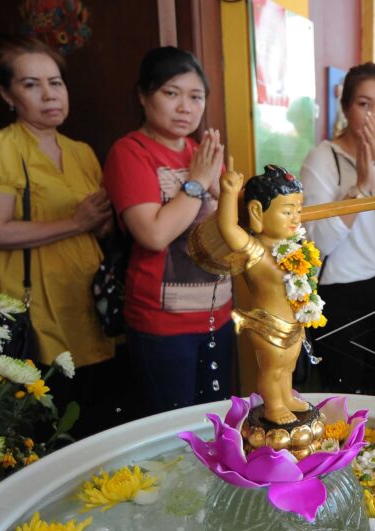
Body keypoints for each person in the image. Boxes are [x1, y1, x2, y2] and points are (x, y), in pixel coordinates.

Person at [0, 36, 115, 436]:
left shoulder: (81, 151)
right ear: (6, 93)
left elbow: (99, 222)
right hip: (30, 307)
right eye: (31, 84)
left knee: (91, 418)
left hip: (83, 301)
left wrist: (103, 222)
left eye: (56, 82)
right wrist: (77, 222)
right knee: (44, 424)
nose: (49, 95)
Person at [103, 46, 233, 417]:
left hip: (218, 314)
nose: (185, 107)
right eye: (171, 93)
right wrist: (197, 182)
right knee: (173, 432)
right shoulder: (131, 152)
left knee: (217, 424)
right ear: (144, 96)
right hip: (163, 324)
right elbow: (154, 234)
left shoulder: (201, 151)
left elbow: (230, 226)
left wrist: (216, 186)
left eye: (196, 97)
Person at [299, 62, 375, 396]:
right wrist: (361, 185)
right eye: (364, 104)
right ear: (345, 108)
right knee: (341, 397)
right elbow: (318, 243)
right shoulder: (322, 159)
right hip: (340, 295)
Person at [190, 163, 315, 424]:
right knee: (272, 368)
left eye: (298, 211)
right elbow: (228, 227)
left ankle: (286, 396)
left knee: (289, 366)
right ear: (257, 212)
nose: (295, 218)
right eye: (287, 211)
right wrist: (228, 192)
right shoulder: (254, 250)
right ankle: (274, 405)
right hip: (268, 325)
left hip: (293, 322)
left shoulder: (293, 248)